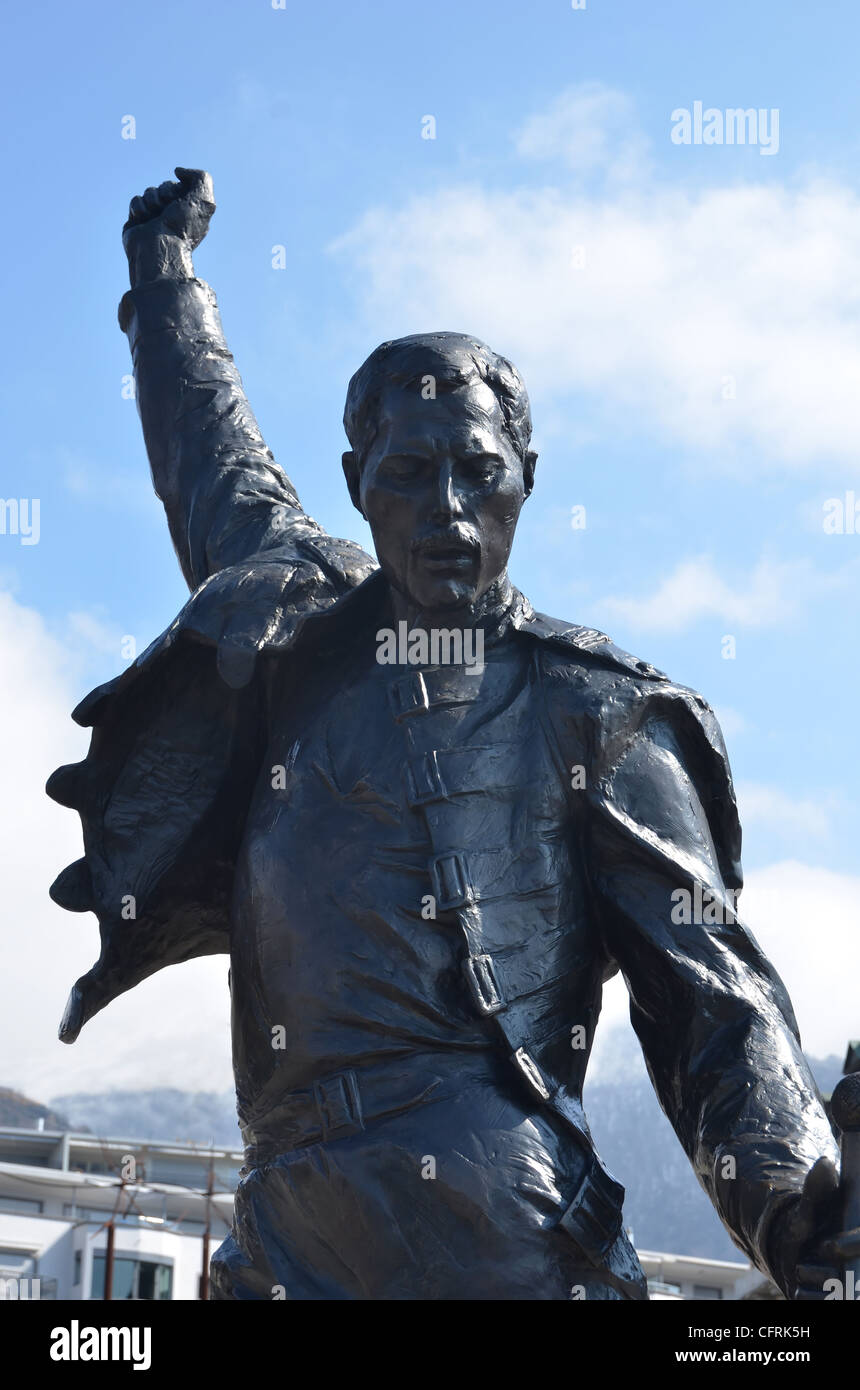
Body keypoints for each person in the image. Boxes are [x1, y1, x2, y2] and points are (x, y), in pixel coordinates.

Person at [48, 169, 854, 1300]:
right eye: (410, 473)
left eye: (480, 474)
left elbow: (711, 1001)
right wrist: (163, 277)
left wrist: (797, 1206)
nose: (448, 511)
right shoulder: (290, 625)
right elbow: (205, 449)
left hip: (500, 1236)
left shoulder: (598, 710)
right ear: (355, 484)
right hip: (283, 1230)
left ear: (527, 479)